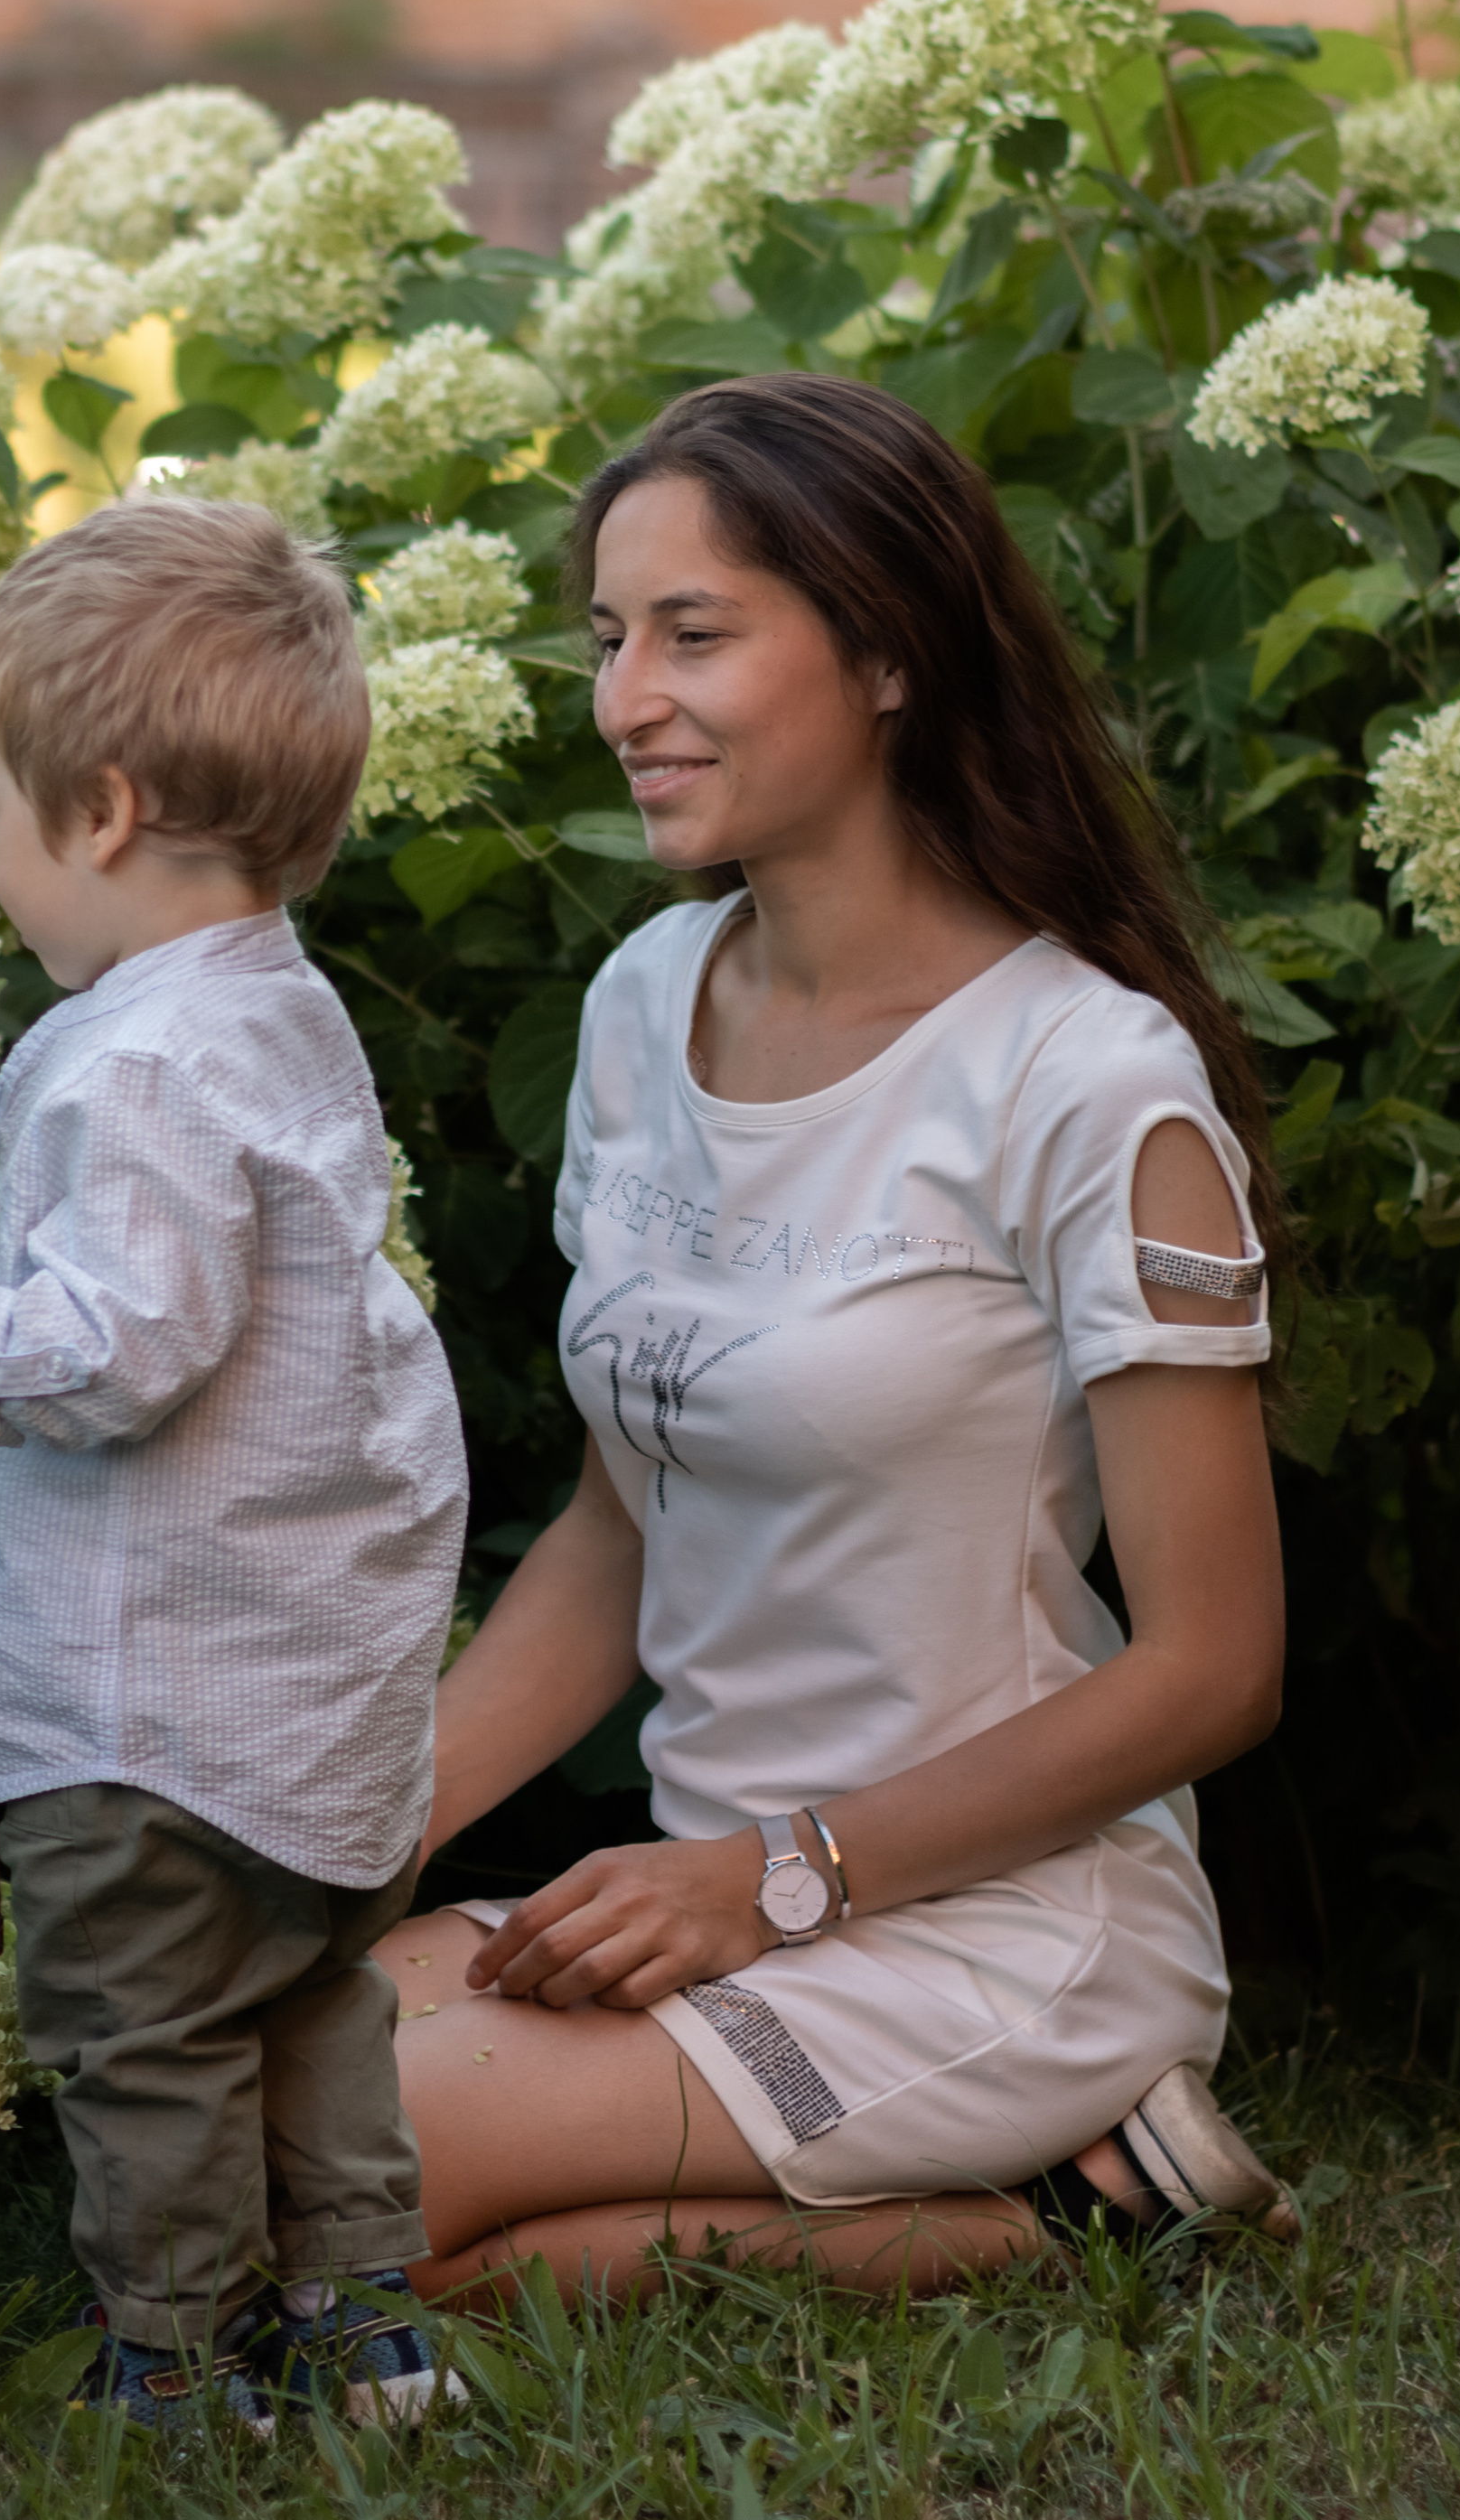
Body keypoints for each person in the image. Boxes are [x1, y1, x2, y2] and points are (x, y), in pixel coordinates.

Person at [371, 375, 1293, 2309]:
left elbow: (1213, 1669)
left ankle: (1044, 2211)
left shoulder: (1080, 1080)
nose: (625, 699)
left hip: (985, 1921)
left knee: (334, 2188)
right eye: (609, 639)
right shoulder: (640, 1005)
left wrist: (770, 1878)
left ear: (885, 651)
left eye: (694, 635)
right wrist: (342, 1840)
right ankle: (1080, 2198)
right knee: (202, 2078)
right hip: (698, 1899)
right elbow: (626, 1531)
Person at [0, 500, 470, 2432]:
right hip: (289, 1691)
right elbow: (128, 1232)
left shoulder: (129, 1061)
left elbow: (114, 1339)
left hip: (148, 1711)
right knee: (305, 2000)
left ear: (105, 812)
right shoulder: (257, 1012)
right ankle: (361, 2328)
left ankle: (177, 2355)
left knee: (137, 2037)